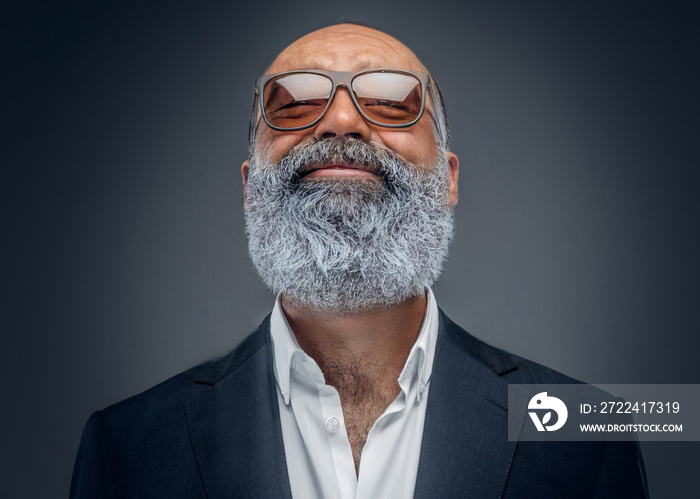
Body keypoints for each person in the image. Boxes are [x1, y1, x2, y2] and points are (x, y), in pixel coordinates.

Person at [70, 23, 648, 498]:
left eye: (389, 101)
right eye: (294, 104)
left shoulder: (589, 436)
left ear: (448, 179)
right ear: (249, 187)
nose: (341, 121)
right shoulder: (127, 447)